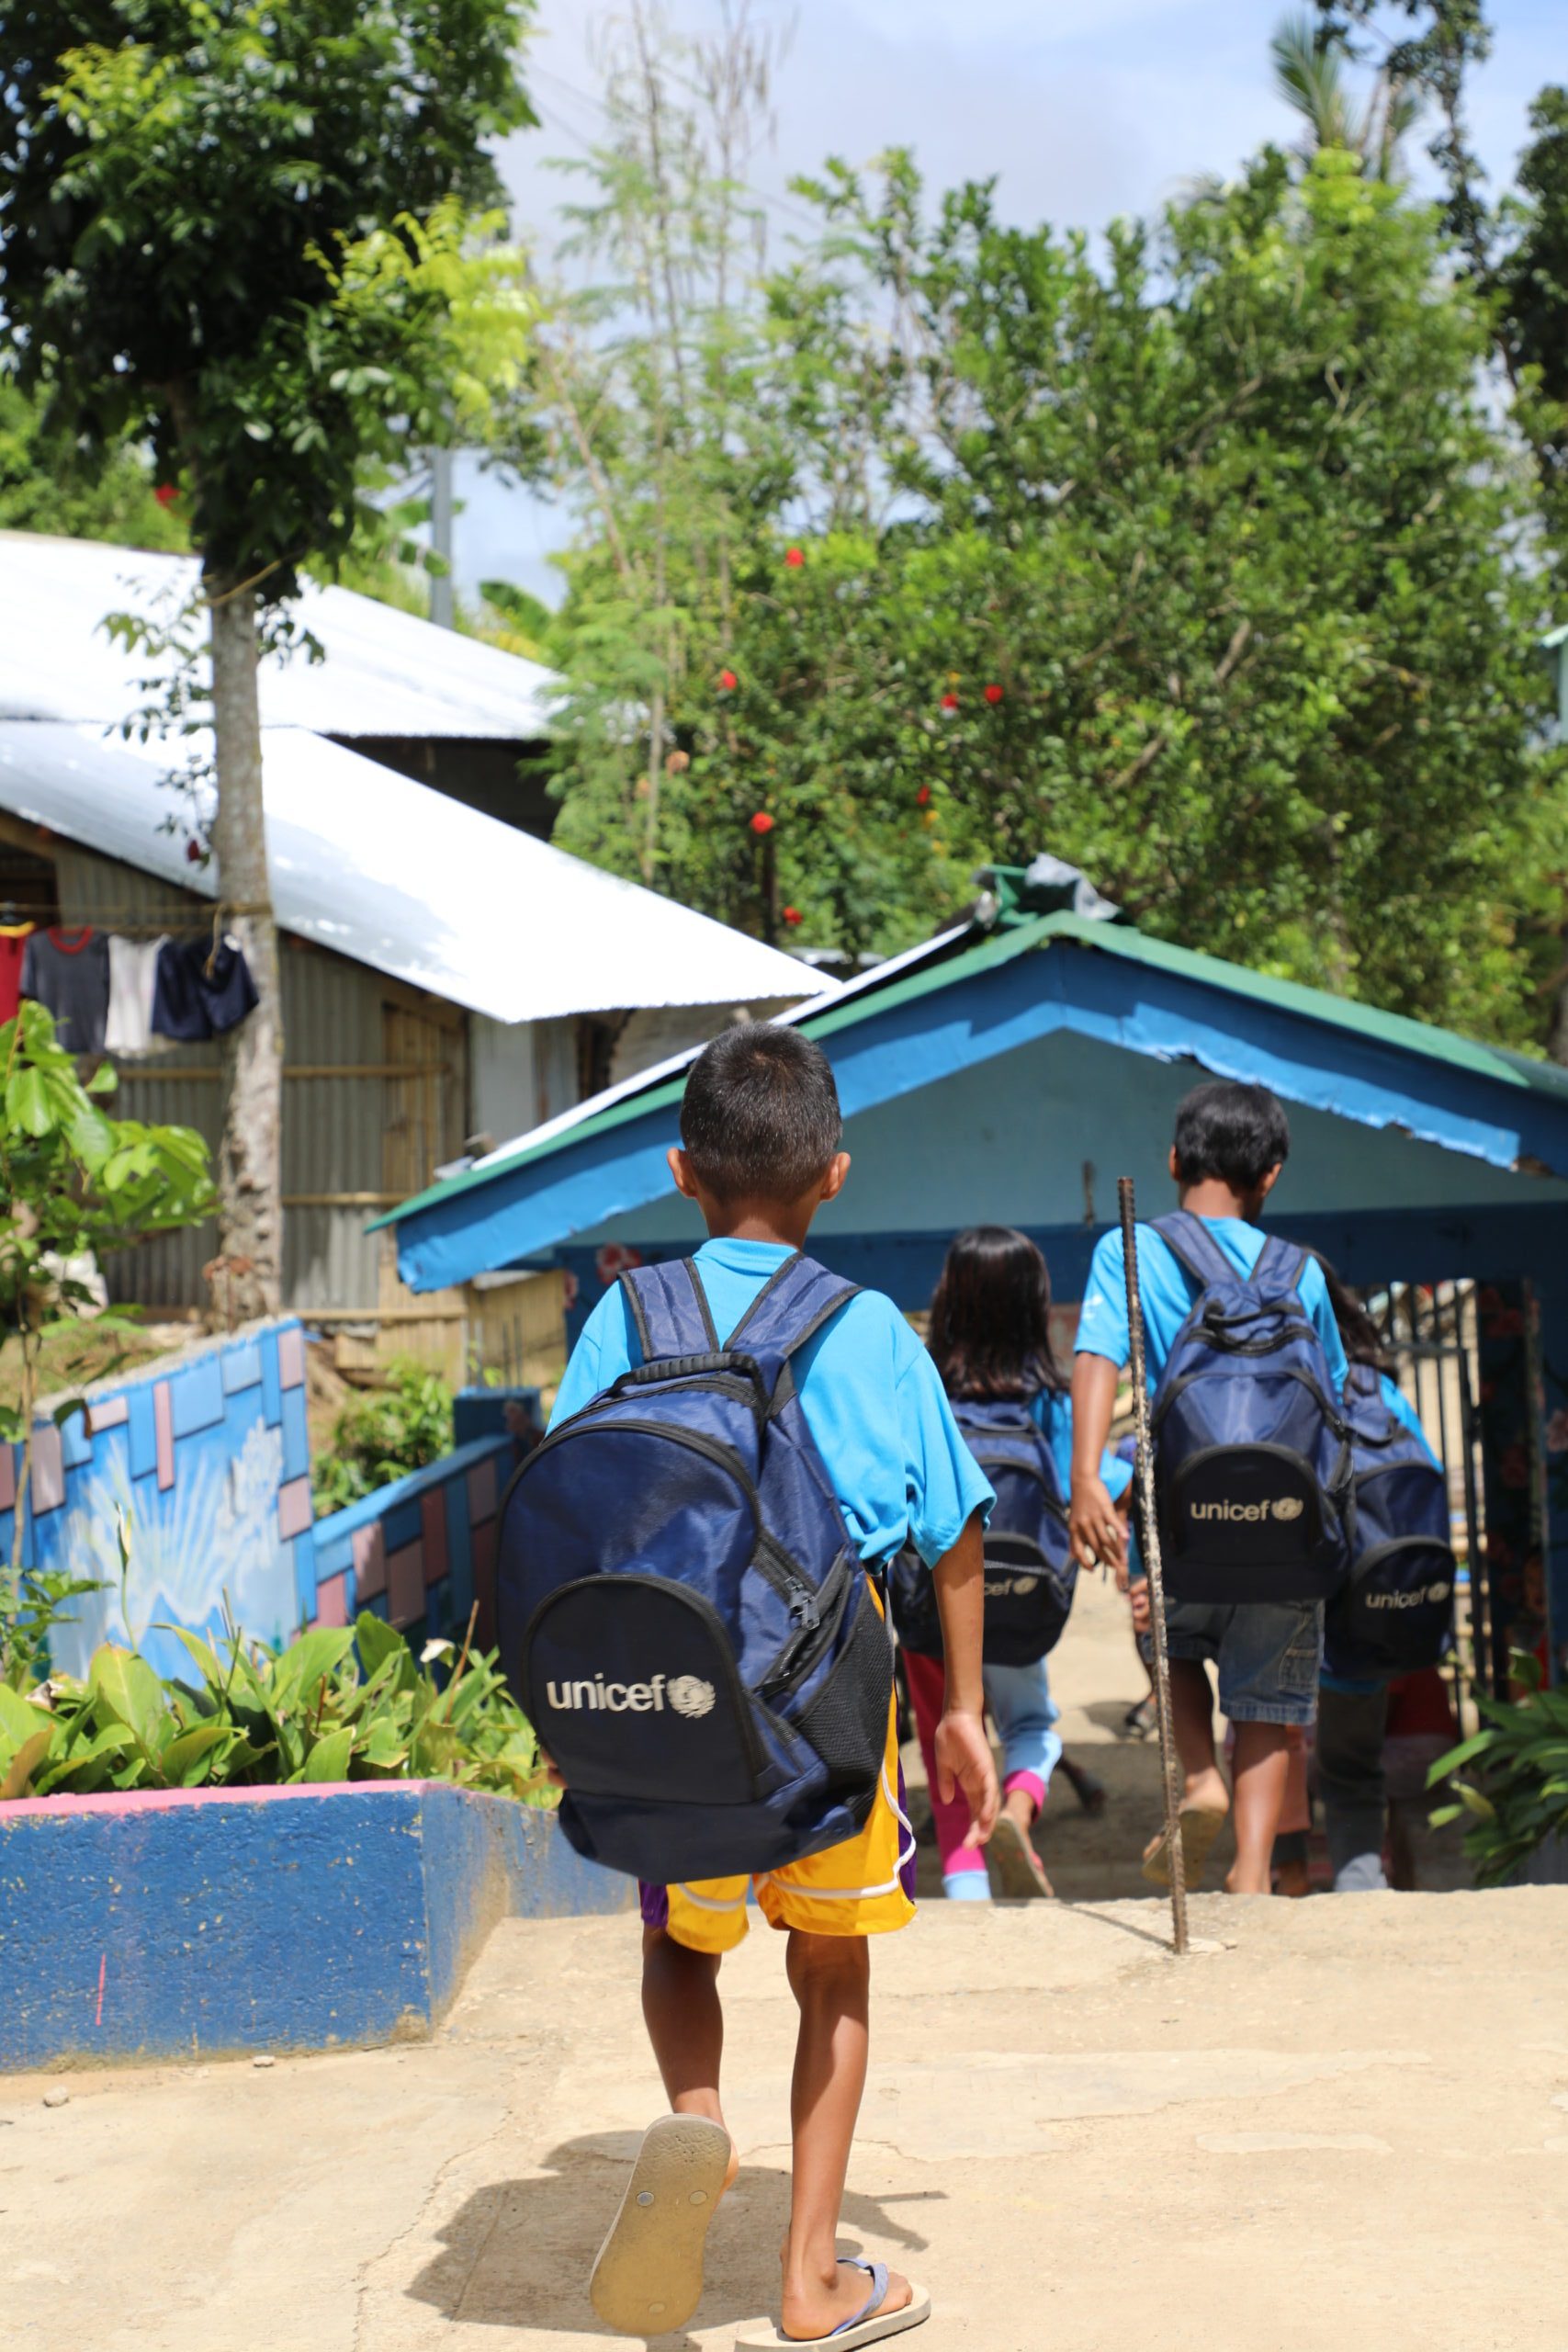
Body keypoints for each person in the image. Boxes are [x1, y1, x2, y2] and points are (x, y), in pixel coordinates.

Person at [547, 1023, 999, 2348]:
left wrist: (566, 1709)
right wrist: (961, 1706)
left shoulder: (625, 1314)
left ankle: (695, 2127)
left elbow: (564, 1505)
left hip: (672, 1699)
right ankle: (809, 2280)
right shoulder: (868, 1334)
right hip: (830, 1706)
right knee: (833, 1969)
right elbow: (955, 1532)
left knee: (675, 1942)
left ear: (681, 1174)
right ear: (834, 1176)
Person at [1067, 1080, 1348, 1896]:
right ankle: (1253, 1874)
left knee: (1172, 1643)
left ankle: (1199, 1777)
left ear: (1172, 1160)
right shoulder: (1301, 1274)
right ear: (1272, 1174)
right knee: (1268, 1699)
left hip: (1178, 1514)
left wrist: (1088, 1476)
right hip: (1285, 1517)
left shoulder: (1133, 1250)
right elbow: (1331, 1397)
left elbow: (1095, 1358)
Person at [901, 1225, 1132, 1900]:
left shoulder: (925, 1398)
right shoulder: (1050, 1404)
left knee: (947, 1740)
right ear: (1034, 1305)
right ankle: (1016, 1810)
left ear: (948, 1299)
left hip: (930, 1608)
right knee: (1032, 1726)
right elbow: (1080, 1484)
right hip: (1019, 1599)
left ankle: (967, 1886)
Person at [1304, 1252, 1450, 1893]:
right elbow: (1429, 1482)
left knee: (1278, 1761)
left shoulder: (1280, 1388)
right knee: (1354, 1775)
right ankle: (1361, 1892)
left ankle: (1274, 1888)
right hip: (1370, 1615)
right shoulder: (1377, 1389)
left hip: (1291, 1617)